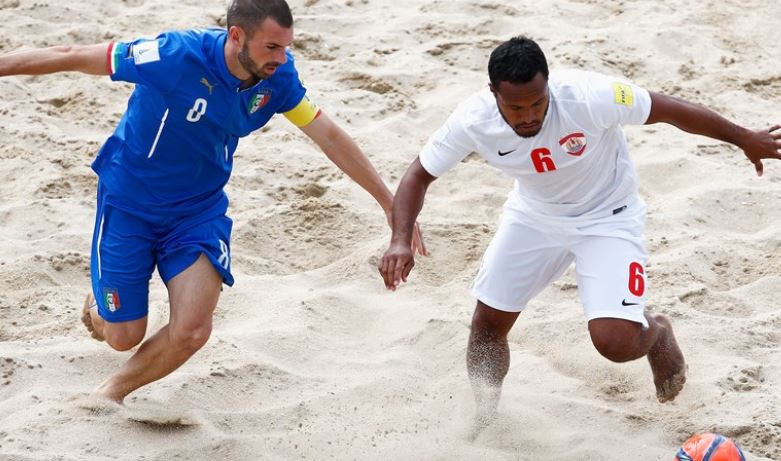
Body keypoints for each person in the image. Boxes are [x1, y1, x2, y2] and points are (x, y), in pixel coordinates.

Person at [0, 0, 425, 404]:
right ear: (237, 36)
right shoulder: (172, 55)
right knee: (122, 335)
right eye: (271, 46)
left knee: (192, 331)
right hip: (130, 203)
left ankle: (109, 393)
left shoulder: (278, 79)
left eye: (286, 47)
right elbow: (72, 53)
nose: (281, 57)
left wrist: (391, 206)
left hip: (196, 213)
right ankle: (99, 305)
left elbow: (327, 134)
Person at [379, 36, 780, 427]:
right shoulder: (472, 120)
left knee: (615, 343)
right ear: (493, 94)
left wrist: (743, 137)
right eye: (516, 108)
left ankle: (656, 334)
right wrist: (400, 239)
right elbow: (418, 174)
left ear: (549, 85)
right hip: (533, 216)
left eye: (538, 102)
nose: (529, 115)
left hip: (609, 216)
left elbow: (669, 109)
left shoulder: (589, 96)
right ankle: (484, 416)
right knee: (487, 324)